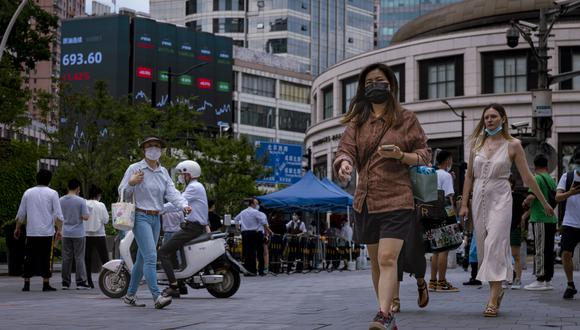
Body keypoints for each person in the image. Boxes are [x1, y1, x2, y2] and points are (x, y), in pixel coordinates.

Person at [334, 62, 430, 330]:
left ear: (391, 85)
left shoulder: (406, 119)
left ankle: (384, 314)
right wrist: (344, 163)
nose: (374, 86)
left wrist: (401, 155)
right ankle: (387, 314)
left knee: (388, 258)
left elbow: (425, 154)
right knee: (377, 261)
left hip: (398, 198)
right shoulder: (357, 122)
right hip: (365, 200)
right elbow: (345, 150)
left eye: (379, 80)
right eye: (368, 83)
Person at [458, 103, 554, 317]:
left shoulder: (513, 145)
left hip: (501, 197)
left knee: (495, 243)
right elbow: (469, 177)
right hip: (479, 200)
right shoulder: (476, 145)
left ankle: (492, 299)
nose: (489, 120)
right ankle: (498, 289)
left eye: (493, 116)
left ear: (503, 118)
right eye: (486, 117)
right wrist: (464, 204)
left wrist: (545, 202)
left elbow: (528, 177)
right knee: (483, 249)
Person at [118, 137, 190, 309]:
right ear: (143, 150)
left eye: (157, 146)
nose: (153, 149)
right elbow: (123, 192)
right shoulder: (134, 168)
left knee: (142, 261)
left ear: (161, 150)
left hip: (156, 218)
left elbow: (172, 192)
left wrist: (184, 206)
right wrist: (131, 183)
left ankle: (129, 295)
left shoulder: (163, 172)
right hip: (140, 216)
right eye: (149, 146)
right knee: (151, 256)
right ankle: (157, 297)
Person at [158, 160, 210, 298]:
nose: (181, 176)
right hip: (192, 227)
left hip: (192, 228)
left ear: (190, 174)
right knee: (172, 252)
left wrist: (157, 210)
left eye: (183, 174)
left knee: (163, 252)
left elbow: (177, 203)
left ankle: (174, 286)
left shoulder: (194, 187)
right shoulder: (196, 186)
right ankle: (180, 285)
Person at [14, 169, 64, 292]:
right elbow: (58, 214)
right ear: (49, 180)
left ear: (37, 179)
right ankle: (45, 283)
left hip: (32, 231)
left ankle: (26, 284)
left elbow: (21, 213)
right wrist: (59, 229)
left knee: (29, 257)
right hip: (47, 232)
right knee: (47, 257)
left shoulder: (28, 193)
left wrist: (17, 228)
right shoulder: (53, 193)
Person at [523, 154, 558, 291]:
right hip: (551, 219)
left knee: (540, 249)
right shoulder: (551, 179)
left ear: (534, 166)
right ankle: (548, 279)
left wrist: (525, 202)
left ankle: (540, 279)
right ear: (547, 166)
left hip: (540, 218)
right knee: (548, 250)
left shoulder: (537, 178)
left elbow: (531, 196)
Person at [428, 150, 460, 293]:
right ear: (447, 160)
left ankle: (433, 281)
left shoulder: (431, 174)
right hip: (444, 213)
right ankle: (442, 281)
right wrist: (454, 217)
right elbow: (450, 197)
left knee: (436, 250)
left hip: (431, 213)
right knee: (444, 250)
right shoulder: (446, 175)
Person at [555, 147, 580, 300]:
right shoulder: (567, 177)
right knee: (565, 253)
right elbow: (557, 198)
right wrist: (570, 192)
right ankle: (570, 284)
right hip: (571, 222)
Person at [60, 178, 90, 290]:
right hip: (78, 233)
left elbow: (58, 216)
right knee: (79, 257)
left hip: (66, 232)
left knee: (66, 258)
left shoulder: (61, 200)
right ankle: (80, 282)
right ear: (78, 188)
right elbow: (86, 217)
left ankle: (65, 282)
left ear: (68, 187)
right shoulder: (81, 201)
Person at [234, 198, 273, 276]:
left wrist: (237, 228)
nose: (257, 205)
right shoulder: (256, 212)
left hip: (245, 234)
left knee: (248, 253)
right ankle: (261, 270)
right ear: (252, 204)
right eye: (256, 203)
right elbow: (263, 222)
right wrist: (269, 230)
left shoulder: (243, 212)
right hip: (255, 233)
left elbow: (236, 219)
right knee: (259, 252)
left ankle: (250, 270)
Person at [84, 185, 110, 289]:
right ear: (98, 195)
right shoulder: (101, 205)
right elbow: (106, 220)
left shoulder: (84, 203)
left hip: (86, 234)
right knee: (104, 258)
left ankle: (89, 280)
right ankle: (109, 278)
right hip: (99, 234)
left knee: (87, 258)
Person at [508, 176, 526, 290]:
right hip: (501, 228)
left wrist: (523, 218)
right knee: (502, 255)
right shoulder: (499, 196)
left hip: (514, 227)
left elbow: (528, 206)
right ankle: (505, 278)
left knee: (516, 255)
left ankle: (518, 279)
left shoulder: (518, 197)